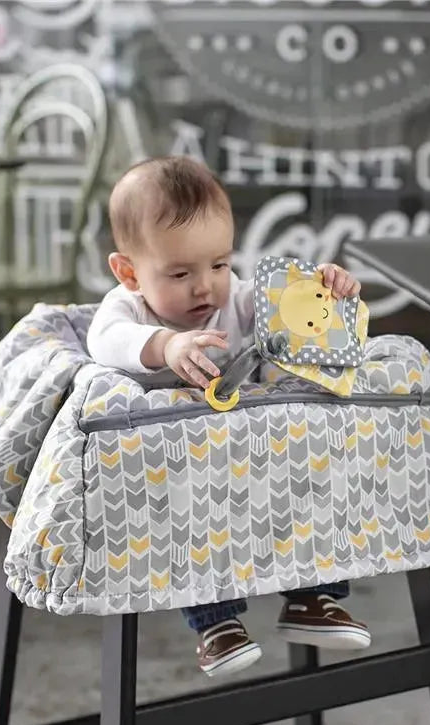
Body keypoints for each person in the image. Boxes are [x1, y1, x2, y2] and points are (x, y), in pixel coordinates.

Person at [88, 156, 370, 677]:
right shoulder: (126, 311)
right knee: (193, 519)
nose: (205, 287)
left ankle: (314, 596)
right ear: (128, 272)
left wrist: (326, 287)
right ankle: (216, 622)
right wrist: (166, 344)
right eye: (180, 272)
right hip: (183, 466)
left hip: (253, 452)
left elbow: (292, 311)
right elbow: (103, 340)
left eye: (218, 264)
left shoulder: (236, 300)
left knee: (308, 474)